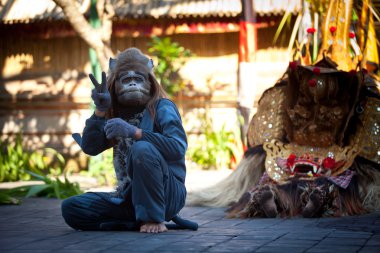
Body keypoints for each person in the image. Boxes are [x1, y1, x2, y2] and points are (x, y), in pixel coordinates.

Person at [61, 48, 187, 233]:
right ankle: (134, 222)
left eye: (138, 79)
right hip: (129, 196)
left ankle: (153, 218)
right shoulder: (116, 113)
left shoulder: (162, 107)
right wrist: (100, 112)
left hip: (167, 194)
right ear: (116, 85)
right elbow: (90, 148)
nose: (132, 84)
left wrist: (134, 132)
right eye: (127, 80)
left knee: (142, 149)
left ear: (150, 83)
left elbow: (178, 147)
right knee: (72, 208)